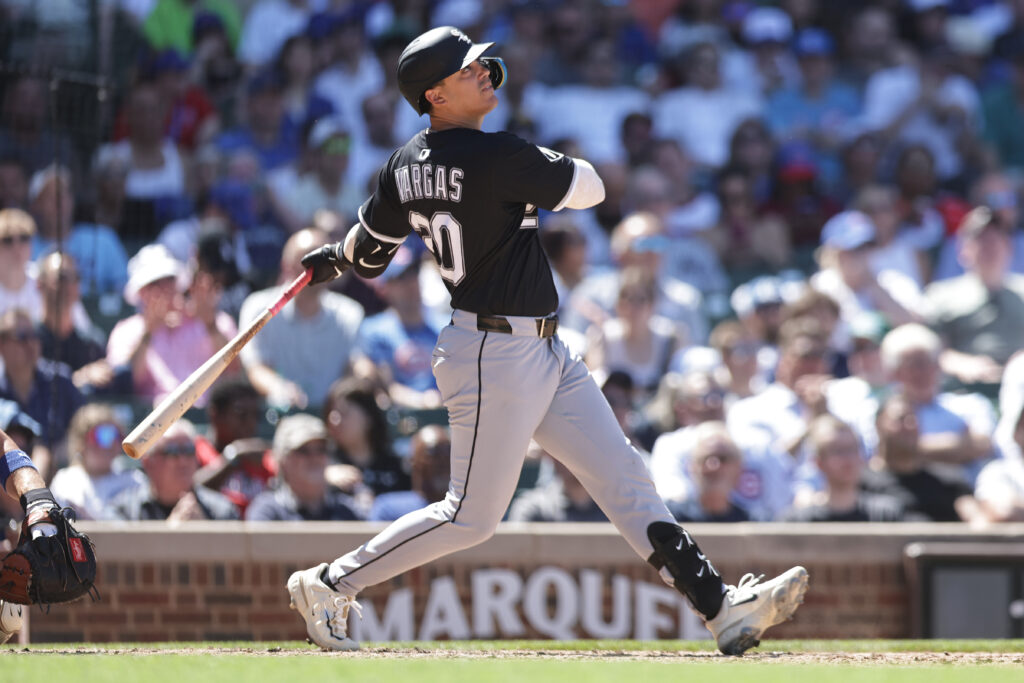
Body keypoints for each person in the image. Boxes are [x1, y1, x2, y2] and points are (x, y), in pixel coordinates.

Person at [287, 26, 807, 656]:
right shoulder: (497, 154)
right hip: (493, 352)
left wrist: (333, 257)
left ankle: (720, 608)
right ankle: (329, 582)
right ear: (435, 94)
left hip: (538, 348)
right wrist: (537, 160)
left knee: (625, 478)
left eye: (482, 64)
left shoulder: (404, 163)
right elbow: (591, 187)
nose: (484, 72)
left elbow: (368, 252)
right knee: (469, 518)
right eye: (467, 69)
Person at [783, 414, 906, 522]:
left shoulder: (885, 515)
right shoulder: (799, 521)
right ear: (818, 462)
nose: (848, 459)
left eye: (852, 449)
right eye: (838, 451)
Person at [110, 420, 239, 522]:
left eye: (189, 450)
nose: (183, 461)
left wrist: (205, 534)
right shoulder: (124, 510)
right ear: (148, 462)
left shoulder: (222, 509)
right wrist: (171, 534)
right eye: (172, 451)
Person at [245, 413, 361, 521]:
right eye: (303, 450)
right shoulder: (267, 512)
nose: (314, 457)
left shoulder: (349, 511)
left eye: (321, 449)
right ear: (282, 459)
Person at [49, 405, 145, 521]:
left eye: (115, 435)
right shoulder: (65, 481)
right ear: (82, 442)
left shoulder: (133, 480)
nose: (109, 444)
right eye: (102, 435)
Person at [368, 425, 451, 522]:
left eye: (449, 450)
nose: (444, 459)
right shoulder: (388, 510)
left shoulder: (466, 509)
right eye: (433, 452)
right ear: (412, 461)